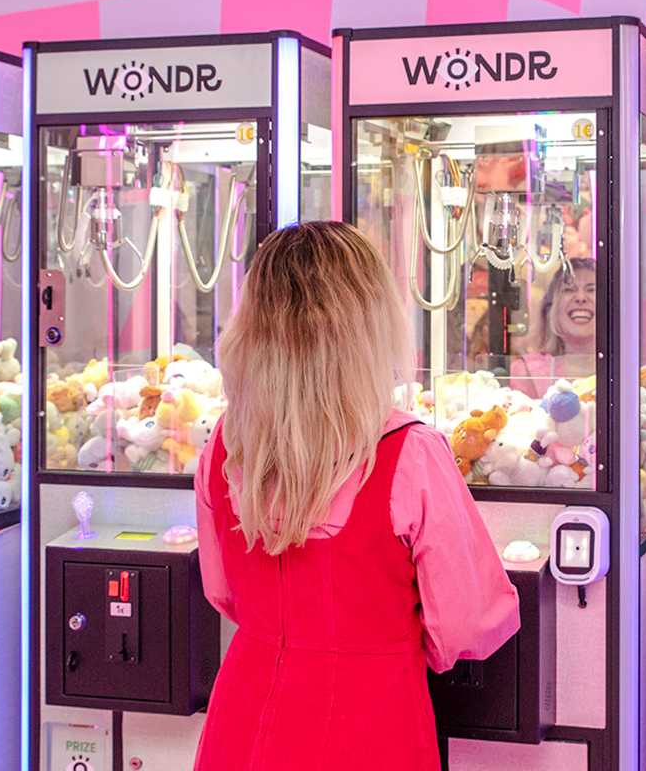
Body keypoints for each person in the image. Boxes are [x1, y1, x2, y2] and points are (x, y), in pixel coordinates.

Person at [193, 221, 519, 770]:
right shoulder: (409, 453)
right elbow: (468, 626)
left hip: (243, 718)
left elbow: (222, 592)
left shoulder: (225, 444)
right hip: (370, 725)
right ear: (367, 325)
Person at [509, 257, 597, 396]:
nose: (581, 297)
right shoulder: (525, 373)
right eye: (569, 289)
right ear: (551, 309)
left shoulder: (631, 371)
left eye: (592, 289)